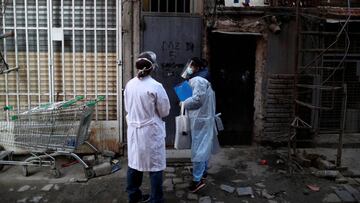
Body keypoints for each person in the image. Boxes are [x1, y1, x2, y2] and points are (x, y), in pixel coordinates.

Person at [124, 51, 170, 203]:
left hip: (134, 130)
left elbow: (127, 108)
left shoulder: (129, 84)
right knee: (155, 166)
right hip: (150, 131)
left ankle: (134, 196)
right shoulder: (156, 86)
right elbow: (164, 111)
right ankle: (156, 199)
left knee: (134, 163)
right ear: (152, 68)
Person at [181, 57, 220, 193]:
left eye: (190, 65)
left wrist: (183, 103)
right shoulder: (202, 77)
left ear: (196, 67)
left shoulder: (199, 80)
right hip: (202, 118)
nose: (188, 67)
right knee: (202, 147)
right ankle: (202, 173)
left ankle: (197, 180)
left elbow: (197, 100)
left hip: (200, 119)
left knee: (198, 149)